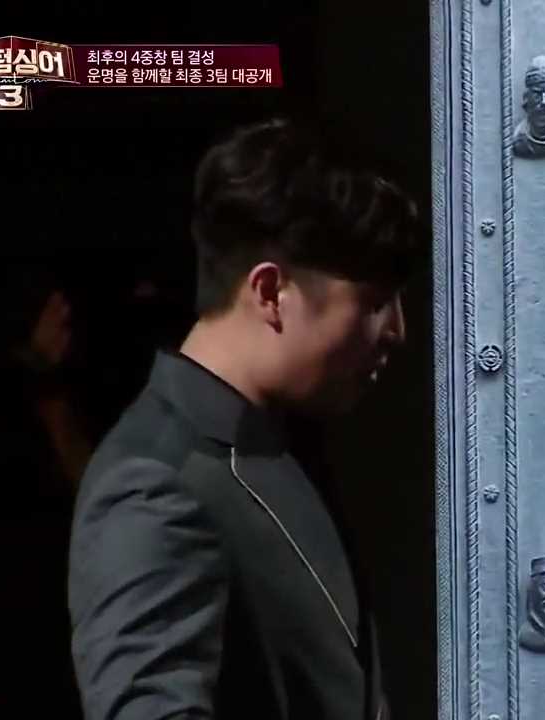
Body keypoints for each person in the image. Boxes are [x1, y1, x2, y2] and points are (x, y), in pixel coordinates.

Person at [67, 117, 420, 720]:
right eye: (373, 301)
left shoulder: (269, 438)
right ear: (270, 292)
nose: (396, 331)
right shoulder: (157, 485)